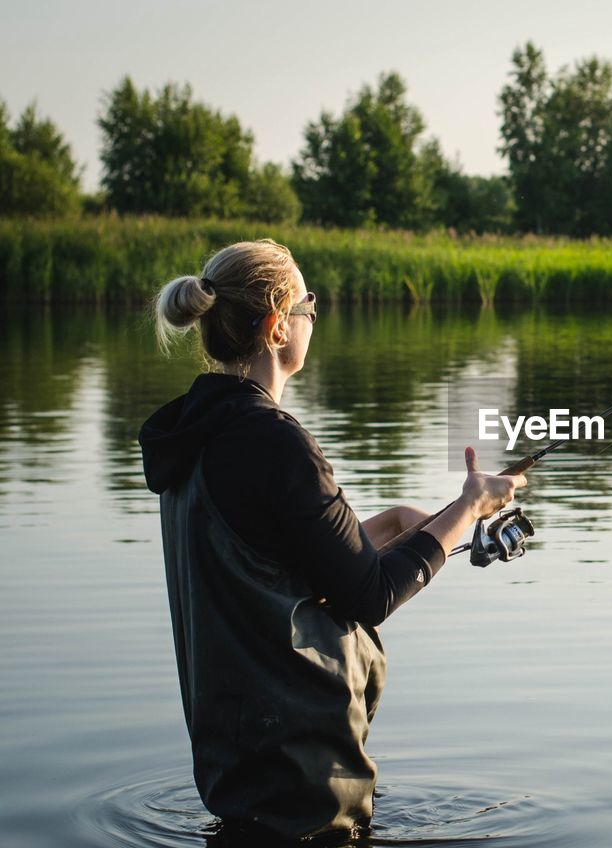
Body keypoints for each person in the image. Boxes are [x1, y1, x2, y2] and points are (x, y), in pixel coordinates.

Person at [138, 239, 525, 842]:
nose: (312, 319)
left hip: (236, 759)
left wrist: (402, 522)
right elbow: (368, 596)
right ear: (275, 325)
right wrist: (470, 507)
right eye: (308, 305)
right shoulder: (274, 441)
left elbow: (266, 562)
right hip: (304, 768)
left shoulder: (195, 434)